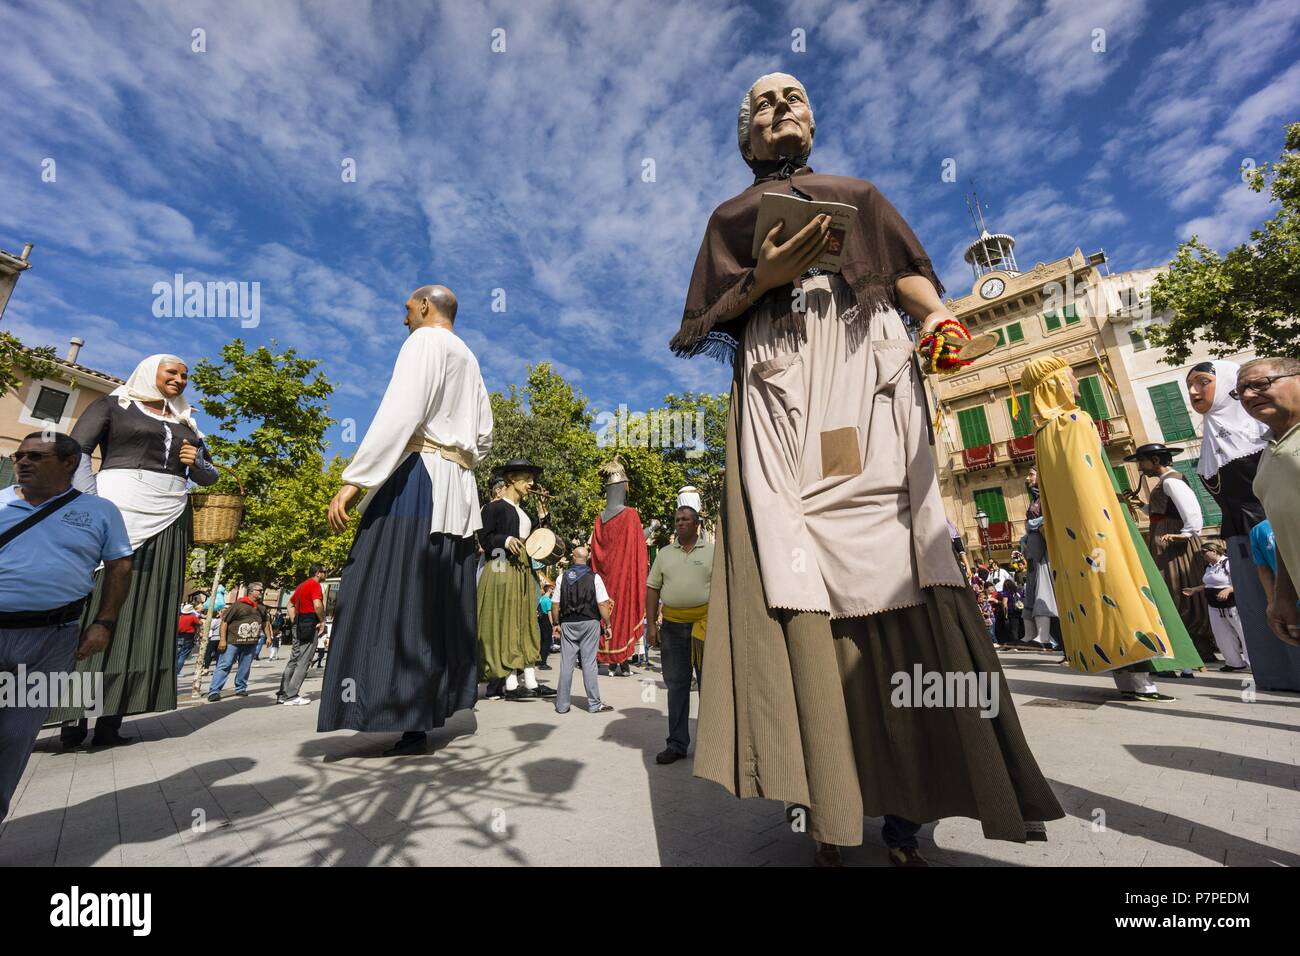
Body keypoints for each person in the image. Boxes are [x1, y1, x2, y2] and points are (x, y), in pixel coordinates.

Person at [670, 72, 1062, 866]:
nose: (782, 106)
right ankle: (828, 805)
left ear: (812, 123)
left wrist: (940, 320)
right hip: (780, 382)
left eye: (796, 97)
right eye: (763, 103)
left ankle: (907, 816)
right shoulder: (728, 219)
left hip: (868, 366)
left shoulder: (862, 194)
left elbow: (915, 280)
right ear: (746, 137)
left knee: (908, 553)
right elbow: (698, 323)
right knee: (794, 564)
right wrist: (764, 279)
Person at [322, 285, 494, 756]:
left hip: (420, 480)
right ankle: (425, 714)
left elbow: (400, 412)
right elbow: (484, 437)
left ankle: (389, 707)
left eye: (406, 310)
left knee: (385, 589)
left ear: (423, 306)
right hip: (458, 492)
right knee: (436, 604)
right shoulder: (470, 359)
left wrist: (356, 479)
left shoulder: (424, 342)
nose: (404, 321)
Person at [53, 353, 219, 748]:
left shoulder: (186, 423)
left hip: (169, 516)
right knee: (97, 605)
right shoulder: (113, 405)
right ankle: (71, 720)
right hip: (116, 507)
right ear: (150, 373)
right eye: (172, 372)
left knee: (144, 612)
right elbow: (75, 451)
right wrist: (91, 501)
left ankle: (112, 721)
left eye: (184, 375)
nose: (179, 379)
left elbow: (209, 474)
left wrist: (197, 463)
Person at [1023, 357, 1198, 700]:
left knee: (1099, 593)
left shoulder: (1042, 434)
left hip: (1074, 538)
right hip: (1102, 524)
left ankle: (1126, 679)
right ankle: (1145, 681)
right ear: (1056, 382)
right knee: (1126, 590)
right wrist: (1106, 529)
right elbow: (1089, 479)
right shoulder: (1075, 420)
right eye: (1071, 376)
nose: (1076, 383)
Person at [0, 433, 132, 819]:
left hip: (52, 641)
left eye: (36, 456)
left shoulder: (101, 511)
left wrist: (104, 622)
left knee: (16, 736)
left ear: (69, 463)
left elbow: (120, 567)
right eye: (19, 455)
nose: (23, 462)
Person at [1187, 360, 1300, 689]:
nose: (1194, 392)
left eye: (1203, 382)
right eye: (1243, 389)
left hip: (1269, 532)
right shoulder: (1263, 447)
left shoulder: (1262, 434)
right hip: (1242, 539)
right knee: (1262, 611)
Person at [1122, 443, 1217, 662]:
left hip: (1174, 540)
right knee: (1171, 585)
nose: (1140, 469)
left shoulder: (1172, 481)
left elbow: (1191, 510)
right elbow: (1161, 511)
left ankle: (1198, 640)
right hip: (1166, 535)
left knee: (1178, 584)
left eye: (1142, 462)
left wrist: (1185, 534)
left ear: (1155, 460)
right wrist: (1141, 505)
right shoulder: (1164, 483)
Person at [478, 459, 557, 701]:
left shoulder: (525, 513)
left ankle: (530, 681)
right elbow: (484, 538)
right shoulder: (493, 508)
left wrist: (544, 512)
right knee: (507, 623)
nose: (532, 484)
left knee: (525, 623)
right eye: (527, 479)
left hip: (522, 572)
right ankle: (510, 684)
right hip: (502, 569)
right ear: (512, 479)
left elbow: (540, 538)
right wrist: (504, 540)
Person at [645, 505, 713, 765]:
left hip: (706, 627)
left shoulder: (712, 552)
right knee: (676, 686)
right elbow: (652, 589)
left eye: (685, 519)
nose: (680, 523)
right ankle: (676, 744)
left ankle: (712, 746)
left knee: (709, 685)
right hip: (672, 628)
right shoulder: (663, 554)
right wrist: (651, 626)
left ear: (697, 524)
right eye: (677, 519)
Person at [1240, 357, 1300, 646]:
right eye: (1241, 392)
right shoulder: (1267, 453)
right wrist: (1284, 595)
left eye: (1260, 384)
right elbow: (1283, 532)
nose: (1249, 395)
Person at [589, 457, 649, 677]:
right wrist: (651, 528)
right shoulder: (630, 515)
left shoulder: (599, 518)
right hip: (623, 579)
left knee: (608, 614)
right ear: (623, 488)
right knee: (622, 612)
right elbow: (638, 546)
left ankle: (614, 662)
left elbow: (596, 552)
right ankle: (620, 661)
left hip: (604, 582)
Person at [551, 546, 615, 715]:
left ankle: (562, 705)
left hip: (568, 623)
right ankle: (594, 704)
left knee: (566, 664)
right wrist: (608, 625)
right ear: (587, 558)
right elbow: (603, 604)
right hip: (589, 623)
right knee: (589, 664)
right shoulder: (595, 578)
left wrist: (556, 623)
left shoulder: (561, 578)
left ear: (573, 557)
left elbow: (555, 604)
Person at [1182, 541, 1249, 672]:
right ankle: (1234, 662)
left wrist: (1229, 590)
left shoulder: (1228, 563)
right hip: (1214, 606)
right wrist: (1196, 589)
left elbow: (1241, 580)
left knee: (1243, 633)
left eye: (1204, 552)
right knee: (1222, 635)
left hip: (1231, 605)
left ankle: (1253, 663)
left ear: (1213, 551)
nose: (1202, 555)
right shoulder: (1209, 567)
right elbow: (1210, 584)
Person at [208, 583, 271, 701]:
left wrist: (268, 637)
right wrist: (222, 640)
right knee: (225, 665)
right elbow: (225, 622)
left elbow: (265, 623)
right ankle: (214, 691)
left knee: (245, 666)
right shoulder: (238, 605)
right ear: (251, 591)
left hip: (251, 643)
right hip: (233, 641)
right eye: (259, 590)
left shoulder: (261, 607)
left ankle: (241, 688)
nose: (261, 593)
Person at [1021, 467, 1061, 651]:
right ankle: (1030, 634)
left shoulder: (1048, 496)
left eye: (1031, 474)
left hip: (1044, 552)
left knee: (1043, 587)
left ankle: (1044, 635)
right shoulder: (1035, 500)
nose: (1027, 478)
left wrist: (1035, 524)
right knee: (1032, 586)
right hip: (1033, 552)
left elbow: (1056, 515)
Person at [277, 565, 326, 706]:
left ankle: (283, 693)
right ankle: (292, 695)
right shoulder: (314, 585)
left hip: (298, 623)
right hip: (309, 623)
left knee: (294, 659)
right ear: (318, 573)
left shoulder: (301, 586)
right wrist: (322, 621)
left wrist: (294, 621)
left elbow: (290, 604)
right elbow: (317, 605)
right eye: (324, 572)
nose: (325, 574)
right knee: (304, 660)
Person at [175, 603, 202, 676]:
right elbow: (200, 623)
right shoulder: (192, 617)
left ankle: (173, 669)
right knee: (183, 654)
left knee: (177, 653)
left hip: (179, 635)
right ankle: (177, 671)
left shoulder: (180, 617)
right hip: (188, 636)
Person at [536, 582, 555, 672]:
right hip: (547, 620)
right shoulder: (548, 600)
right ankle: (543, 663)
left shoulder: (541, 598)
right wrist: (553, 623)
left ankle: (540, 660)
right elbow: (549, 612)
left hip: (541, 620)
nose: (553, 590)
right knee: (547, 642)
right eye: (552, 588)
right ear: (549, 590)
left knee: (542, 641)